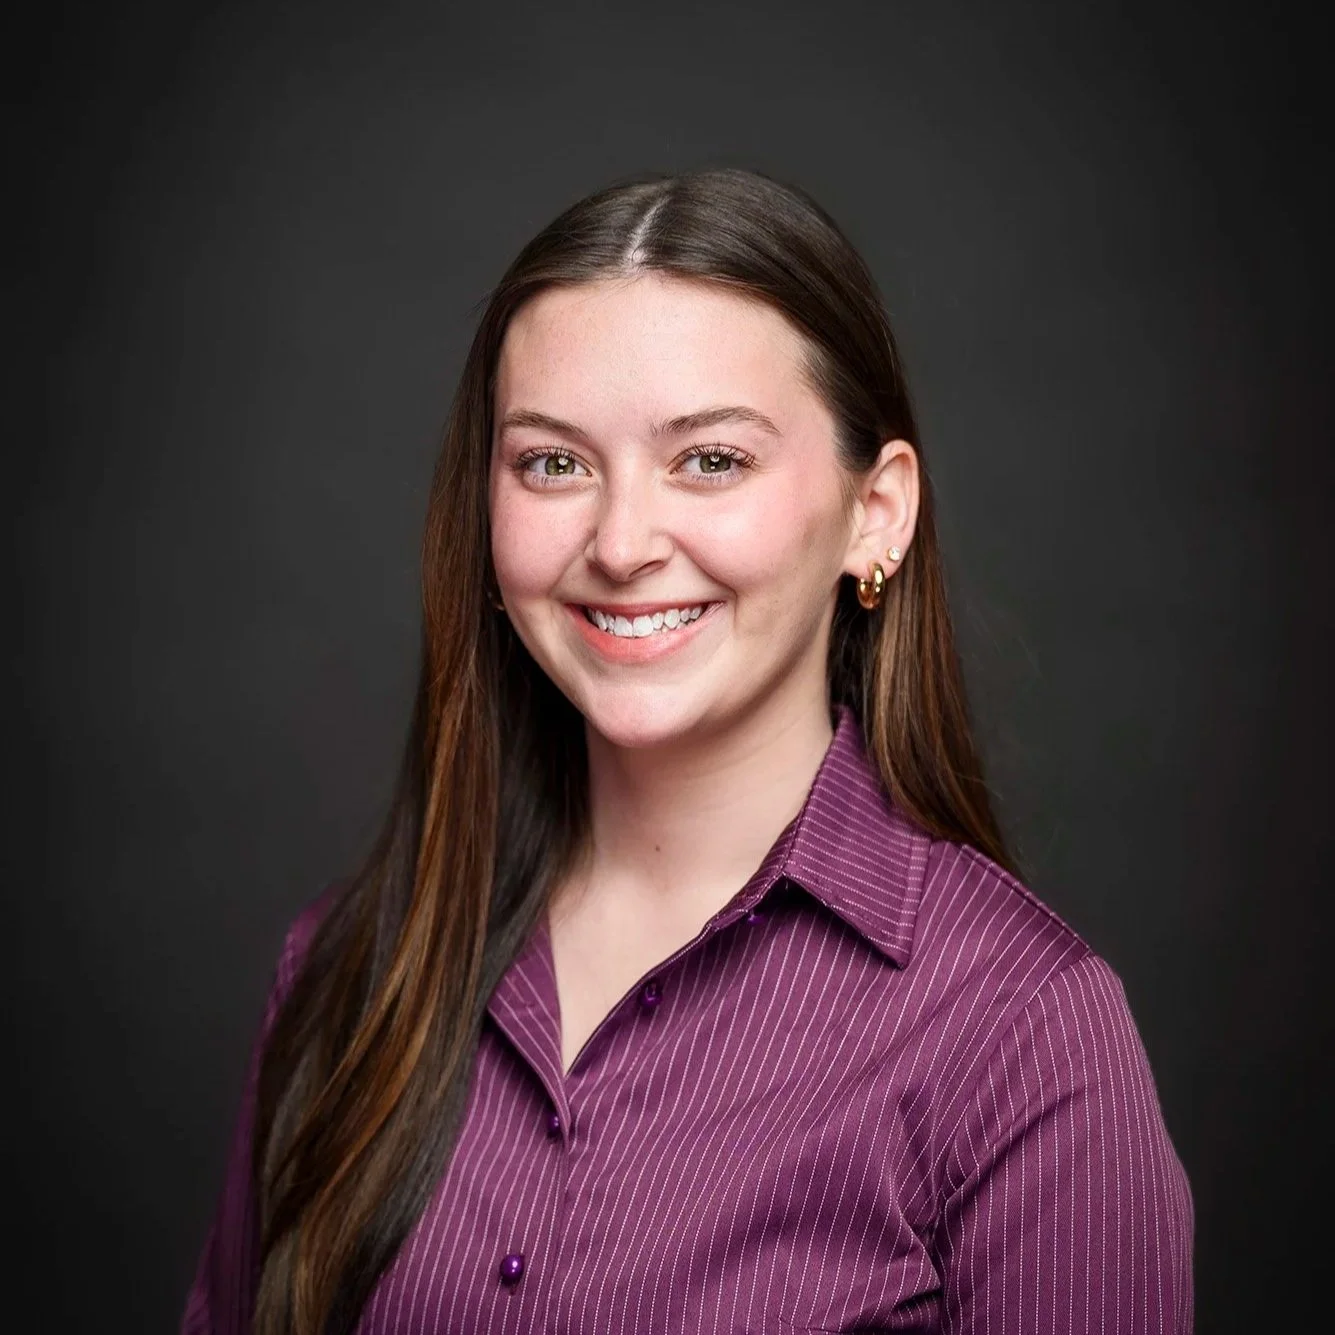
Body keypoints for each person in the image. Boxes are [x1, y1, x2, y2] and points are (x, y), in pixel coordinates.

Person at [182, 167, 1194, 1335]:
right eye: (552, 463)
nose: (619, 544)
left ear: (878, 513)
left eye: (710, 459)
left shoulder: (1021, 1032)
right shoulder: (346, 969)